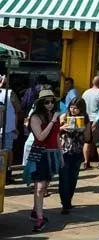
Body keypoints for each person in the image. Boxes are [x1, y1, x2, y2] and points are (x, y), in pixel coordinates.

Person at [24, 90, 62, 232]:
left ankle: (35, 212)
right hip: (39, 152)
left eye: (52, 101)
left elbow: (56, 136)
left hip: (52, 153)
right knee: (39, 188)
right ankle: (39, 219)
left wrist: (61, 154)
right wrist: (52, 121)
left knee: (45, 184)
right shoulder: (35, 117)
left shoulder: (54, 115)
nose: (50, 104)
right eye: (46, 102)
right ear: (40, 103)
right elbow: (40, 137)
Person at [58, 97, 91, 215]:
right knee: (63, 178)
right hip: (64, 151)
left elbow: (88, 139)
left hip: (77, 152)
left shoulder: (85, 119)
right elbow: (55, 132)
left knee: (73, 178)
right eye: (71, 107)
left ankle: (68, 201)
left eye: (76, 108)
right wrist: (62, 128)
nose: (73, 110)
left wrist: (84, 129)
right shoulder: (64, 116)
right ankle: (65, 204)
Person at [0, 74, 22, 185]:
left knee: (8, 151)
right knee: (8, 151)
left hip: (8, 128)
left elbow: (17, 111)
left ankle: (7, 173)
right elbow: (18, 110)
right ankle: (6, 174)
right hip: (8, 128)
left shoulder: (9, 93)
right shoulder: (10, 93)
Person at [82, 76, 99, 170]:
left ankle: (86, 162)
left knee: (87, 141)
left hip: (87, 119)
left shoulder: (86, 92)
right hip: (97, 120)